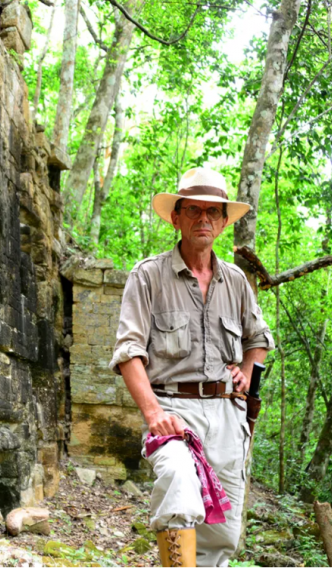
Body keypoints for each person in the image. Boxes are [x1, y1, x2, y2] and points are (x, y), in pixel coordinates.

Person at [108, 167, 275, 567]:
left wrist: (247, 373)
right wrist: (154, 414)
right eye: (194, 210)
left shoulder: (235, 281)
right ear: (175, 217)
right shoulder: (148, 276)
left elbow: (259, 339)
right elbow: (129, 351)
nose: (204, 219)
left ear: (221, 222)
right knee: (179, 484)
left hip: (227, 416)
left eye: (213, 212)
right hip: (173, 411)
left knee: (222, 534)